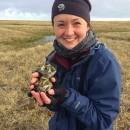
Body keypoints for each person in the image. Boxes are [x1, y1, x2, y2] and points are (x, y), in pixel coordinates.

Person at [29, 0, 121, 129]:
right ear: (54, 27)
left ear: (87, 26)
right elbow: (58, 106)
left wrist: (66, 96)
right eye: (61, 24)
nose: (68, 32)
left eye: (76, 23)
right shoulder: (53, 58)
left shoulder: (104, 62)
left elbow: (102, 119)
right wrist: (48, 96)